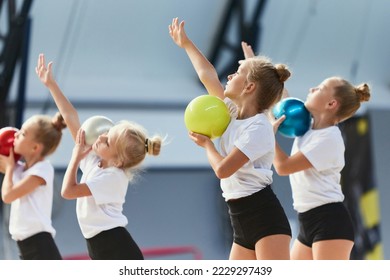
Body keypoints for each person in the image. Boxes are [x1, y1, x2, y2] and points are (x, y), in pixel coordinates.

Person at [169, 17, 292, 260]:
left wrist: (207, 145)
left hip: (265, 219)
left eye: (236, 73)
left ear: (249, 88)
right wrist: (187, 44)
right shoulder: (231, 114)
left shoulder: (258, 128)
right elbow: (208, 76)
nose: (229, 76)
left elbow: (223, 169)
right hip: (240, 219)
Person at [36, 53, 163, 260]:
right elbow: (71, 118)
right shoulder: (96, 161)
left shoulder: (113, 177)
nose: (101, 136)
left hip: (116, 247)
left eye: (108, 140)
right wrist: (51, 84)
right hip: (99, 244)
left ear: (118, 160)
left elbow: (68, 191)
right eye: (106, 133)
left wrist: (76, 157)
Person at [272, 76, 371, 260]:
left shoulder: (329, 138)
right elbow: (283, 103)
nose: (311, 88)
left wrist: (269, 137)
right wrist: (258, 67)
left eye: (319, 88)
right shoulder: (308, 127)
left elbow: (283, 167)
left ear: (331, 103)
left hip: (329, 221)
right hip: (307, 220)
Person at [0, 113, 65, 260]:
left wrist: (9, 168)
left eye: (22, 133)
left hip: (41, 248)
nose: (15, 134)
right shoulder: (19, 169)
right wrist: (10, 167)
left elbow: (8, 195)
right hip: (25, 248)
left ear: (35, 147)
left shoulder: (42, 170)